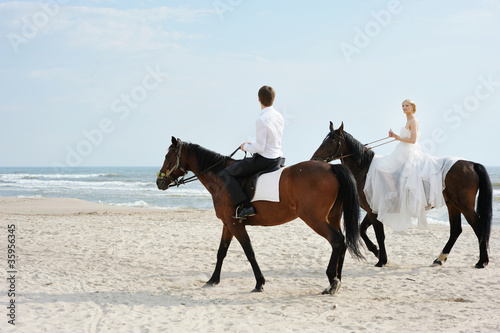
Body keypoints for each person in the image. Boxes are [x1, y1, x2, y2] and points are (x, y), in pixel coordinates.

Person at [363, 99, 458, 231]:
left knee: (383, 167)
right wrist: (394, 136)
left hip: (408, 151)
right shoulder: (408, 120)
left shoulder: (413, 120)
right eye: (402, 106)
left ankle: (394, 192)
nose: (404, 108)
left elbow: (413, 140)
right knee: (382, 167)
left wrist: (397, 138)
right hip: (402, 149)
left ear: (413, 107)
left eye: (407, 105)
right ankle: (394, 191)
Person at [220, 85, 285, 219]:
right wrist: (252, 144)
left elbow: (260, 148)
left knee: (225, 174)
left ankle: (246, 207)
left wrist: (245, 147)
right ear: (273, 99)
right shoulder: (279, 116)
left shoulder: (261, 120)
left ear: (259, 99)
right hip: (277, 157)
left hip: (265, 160)